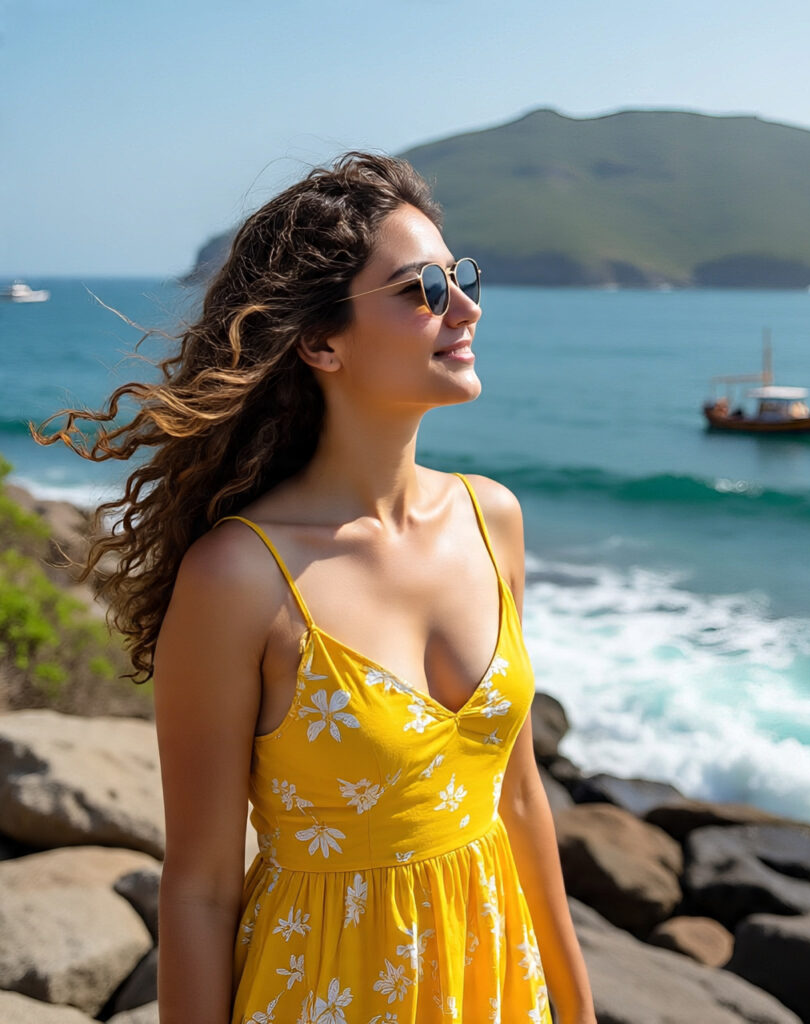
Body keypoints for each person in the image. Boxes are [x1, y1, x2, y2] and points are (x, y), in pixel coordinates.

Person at [33, 153, 596, 1024]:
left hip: (493, 986)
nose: (467, 307)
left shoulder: (493, 521)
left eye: (461, 277)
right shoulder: (240, 577)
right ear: (320, 342)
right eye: (423, 290)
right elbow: (201, 890)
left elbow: (519, 799)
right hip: (324, 994)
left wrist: (576, 1005)